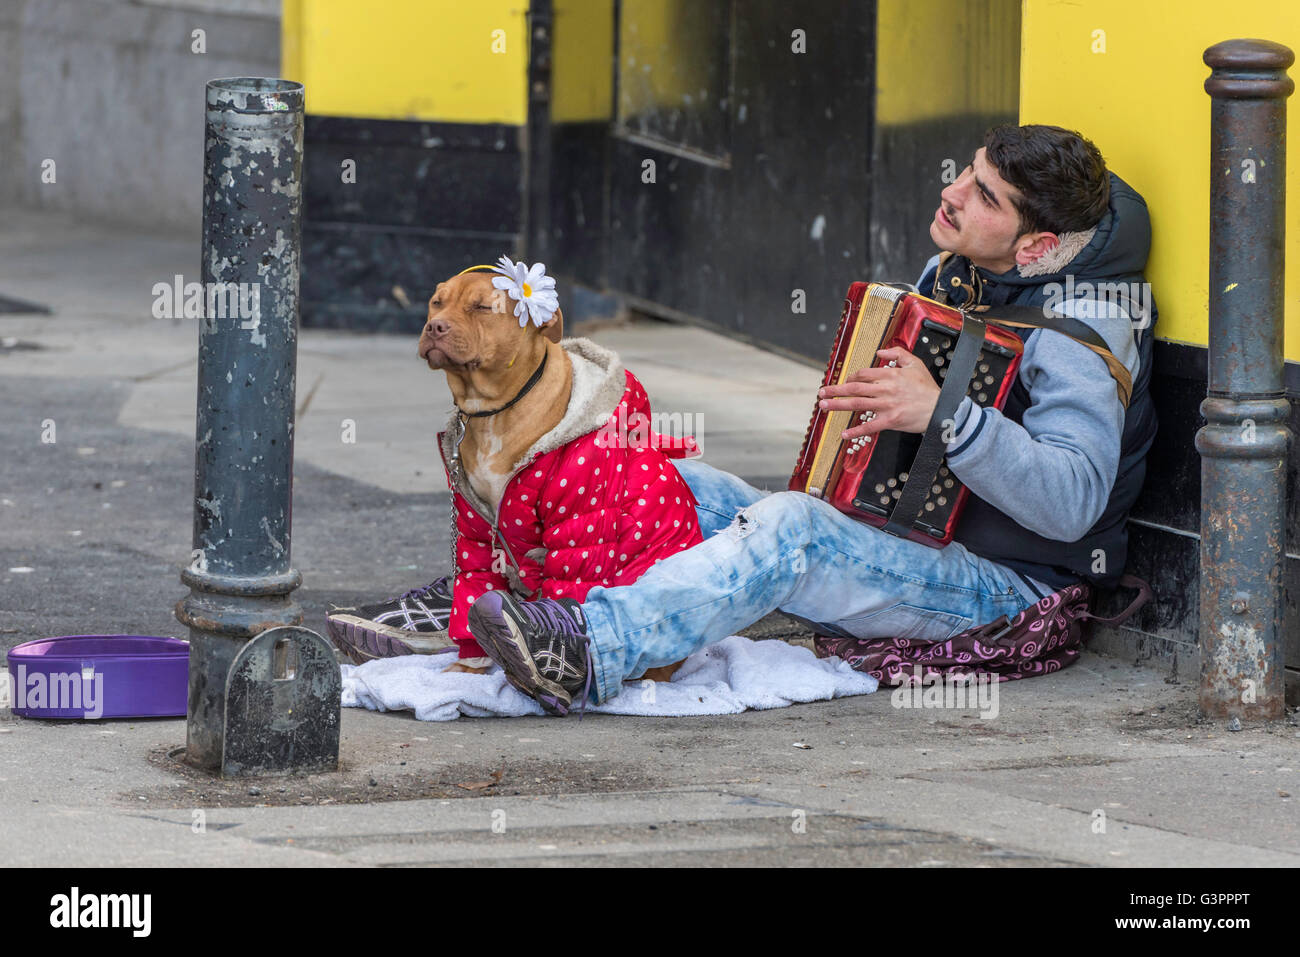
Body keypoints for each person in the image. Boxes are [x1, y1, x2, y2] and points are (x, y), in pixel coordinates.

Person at [343, 124, 1158, 715]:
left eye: (983, 195)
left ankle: (587, 649)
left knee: (791, 530)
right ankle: (492, 610)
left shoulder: (1083, 331)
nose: (951, 192)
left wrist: (946, 414)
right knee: (656, 473)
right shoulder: (962, 269)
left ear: (1036, 244)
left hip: (1002, 589)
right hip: (904, 539)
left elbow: (1074, 503)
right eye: (967, 172)